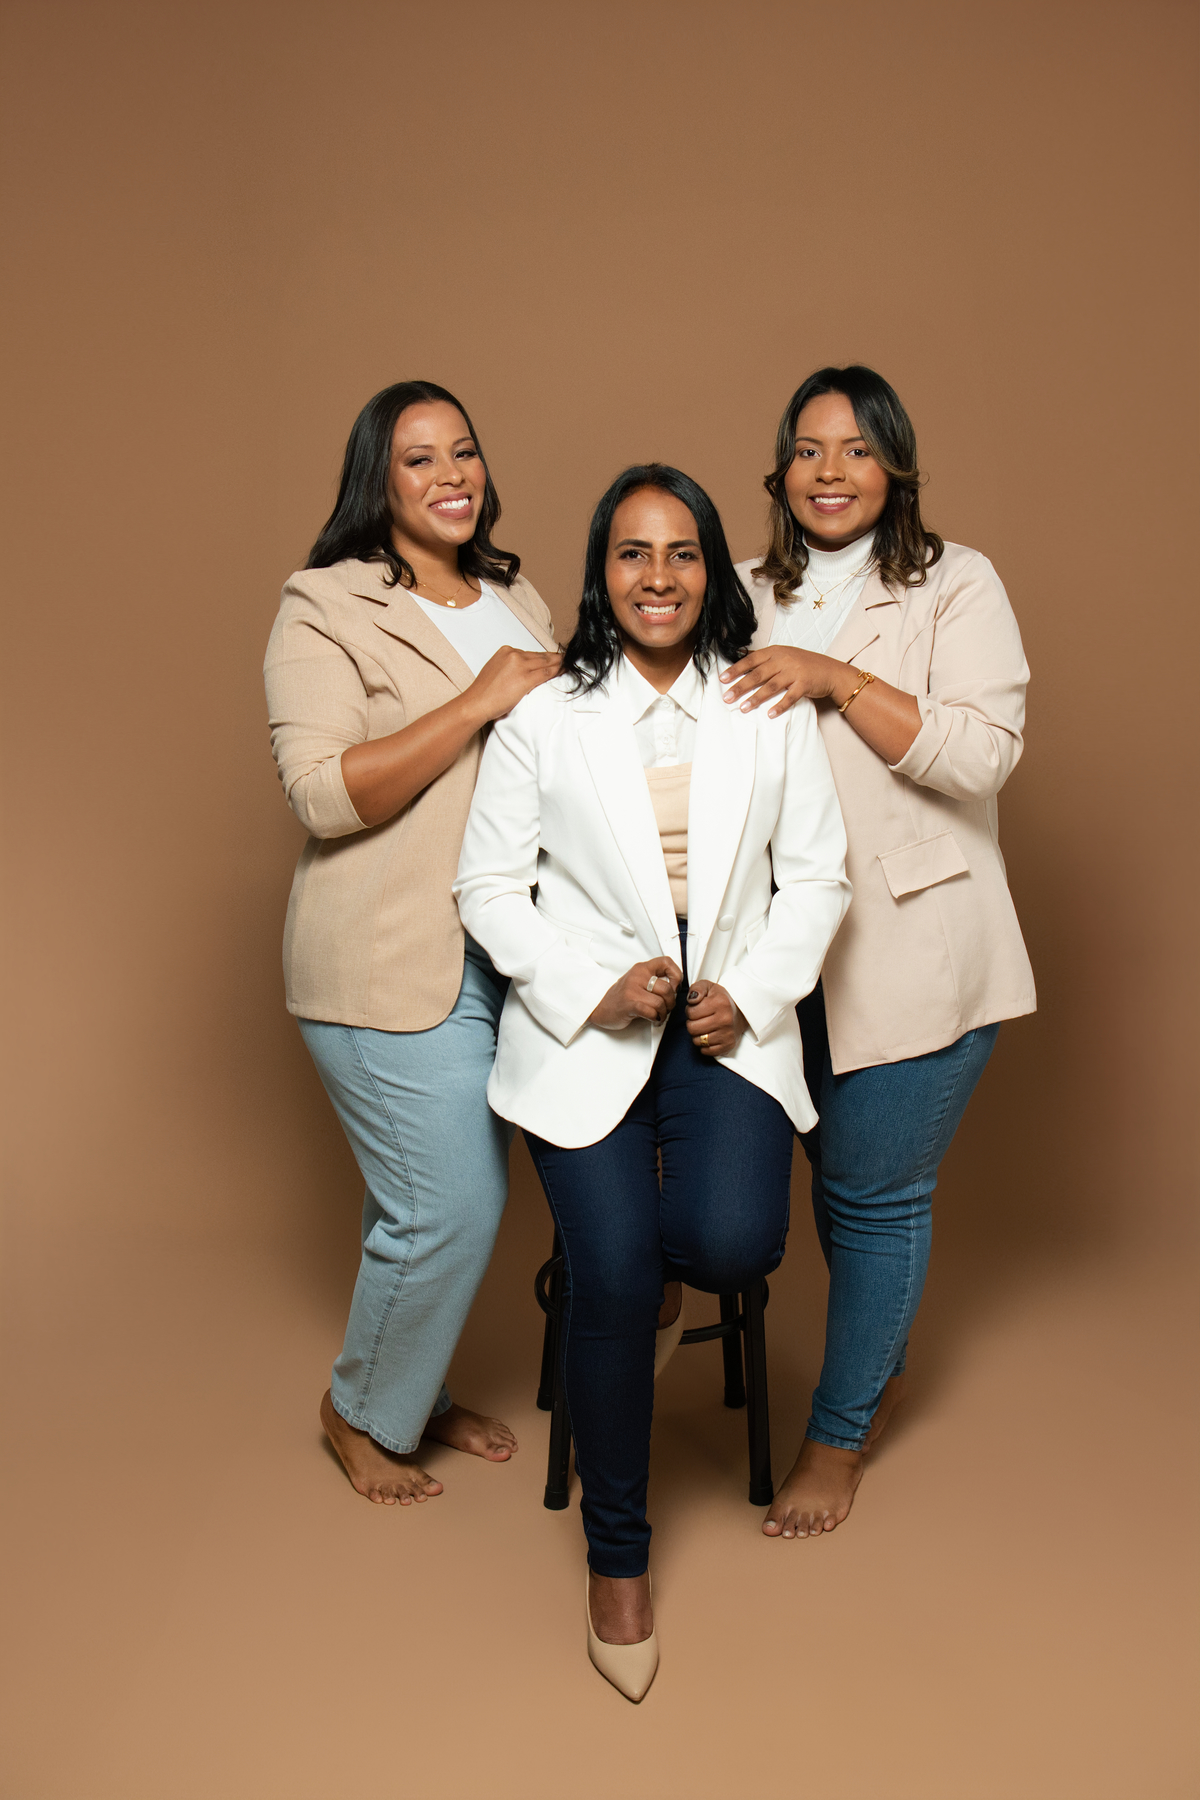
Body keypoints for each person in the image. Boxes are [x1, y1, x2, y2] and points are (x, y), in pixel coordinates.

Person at [454, 465, 849, 1699]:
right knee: (616, 1275)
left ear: (712, 568)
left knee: (732, 1242)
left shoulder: (764, 703)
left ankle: (639, 1287)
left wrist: (758, 991)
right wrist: (592, 987)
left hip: (725, 1024)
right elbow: (487, 890)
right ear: (602, 573)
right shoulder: (545, 712)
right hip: (588, 1031)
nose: (659, 576)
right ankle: (617, 1560)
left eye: (683, 552)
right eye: (633, 553)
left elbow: (819, 877)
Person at [722, 364, 1036, 1540]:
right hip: (767, 953)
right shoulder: (737, 587)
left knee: (871, 1199)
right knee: (785, 1189)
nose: (831, 471)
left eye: (857, 449)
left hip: (913, 949)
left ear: (895, 468)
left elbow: (983, 754)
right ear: (779, 471)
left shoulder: (957, 583)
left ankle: (840, 1433)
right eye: (809, 449)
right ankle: (875, 1367)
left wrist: (837, 678)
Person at [263, 380, 561, 1507]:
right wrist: (478, 701)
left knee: (422, 1199)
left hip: (507, 946)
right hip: (384, 951)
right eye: (419, 458)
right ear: (376, 482)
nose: (451, 476)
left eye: (465, 451)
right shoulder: (323, 604)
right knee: (450, 1204)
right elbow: (322, 793)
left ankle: (412, 1389)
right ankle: (358, 1412)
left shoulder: (517, 595)